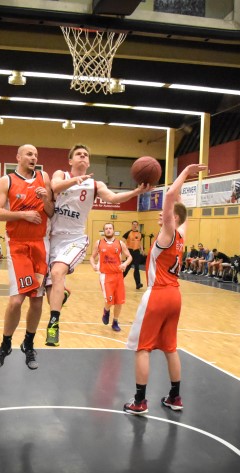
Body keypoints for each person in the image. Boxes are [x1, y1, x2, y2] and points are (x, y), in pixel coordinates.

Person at [44, 144, 152, 347]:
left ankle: (53, 325)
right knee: (50, 292)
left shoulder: (94, 185)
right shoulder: (61, 174)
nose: (83, 156)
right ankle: (63, 294)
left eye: (86, 155)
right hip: (52, 238)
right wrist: (75, 180)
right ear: (70, 160)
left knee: (58, 273)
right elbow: (55, 187)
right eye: (79, 154)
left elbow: (113, 198)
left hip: (75, 239)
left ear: (89, 162)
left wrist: (137, 191)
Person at [123, 162, 207, 415]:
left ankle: (139, 401)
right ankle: (175, 397)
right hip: (175, 296)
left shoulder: (168, 233)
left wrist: (185, 171)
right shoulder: (182, 234)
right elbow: (178, 201)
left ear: (174, 218)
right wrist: (184, 187)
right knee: (170, 348)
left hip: (158, 294)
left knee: (142, 348)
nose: (162, 215)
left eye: (166, 214)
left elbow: (171, 197)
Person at [0, 144, 54, 370]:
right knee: (16, 300)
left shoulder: (43, 177)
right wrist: (23, 215)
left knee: (36, 300)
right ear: (18, 157)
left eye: (36, 154)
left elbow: (51, 211)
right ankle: (5, 344)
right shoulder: (6, 180)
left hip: (40, 245)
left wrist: (46, 199)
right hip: (17, 246)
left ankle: (28, 343)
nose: (33, 157)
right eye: (29, 154)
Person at [91, 222, 132, 332]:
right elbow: (92, 257)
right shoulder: (99, 243)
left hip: (118, 275)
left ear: (113, 230)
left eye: (110, 228)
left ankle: (115, 321)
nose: (108, 230)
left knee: (119, 301)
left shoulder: (120, 243)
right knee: (110, 301)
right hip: (105, 276)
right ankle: (106, 310)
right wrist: (93, 265)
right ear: (104, 231)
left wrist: (125, 264)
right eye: (106, 229)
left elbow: (129, 257)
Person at [122, 221, 145, 289]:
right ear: (132, 225)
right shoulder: (128, 233)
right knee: (128, 267)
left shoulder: (139, 234)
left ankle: (138, 284)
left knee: (137, 268)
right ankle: (119, 280)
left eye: (136, 225)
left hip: (137, 252)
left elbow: (139, 242)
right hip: (130, 252)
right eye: (133, 224)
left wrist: (142, 250)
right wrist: (124, 249)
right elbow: (122, 241)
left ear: (137, 225)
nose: (135, 226)